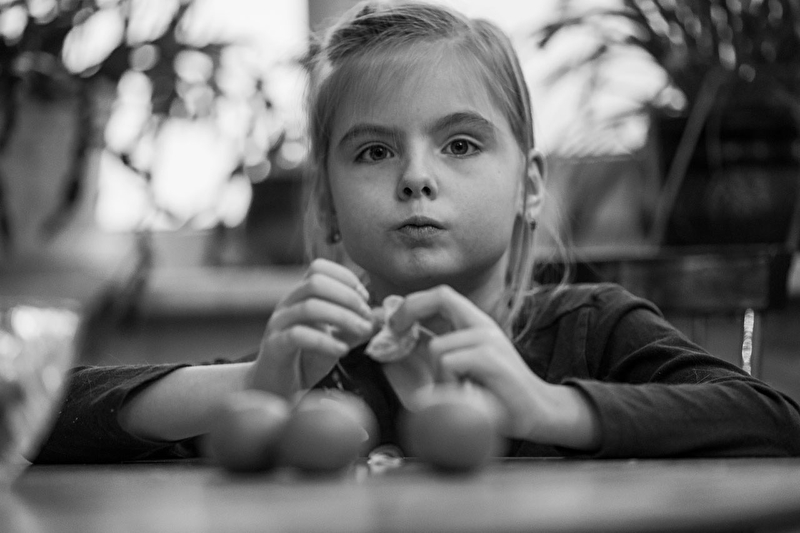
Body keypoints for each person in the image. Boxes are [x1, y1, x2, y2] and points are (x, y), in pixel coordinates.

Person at [33, 0, 800, 463]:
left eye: (460, 144)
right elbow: (43, 414)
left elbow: (774, 420)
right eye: (374, 151)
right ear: (328, 208)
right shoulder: (321, 359)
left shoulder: (593, 328)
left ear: (530, 185)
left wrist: (544, 407)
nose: (416, 177)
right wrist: (251, 384)